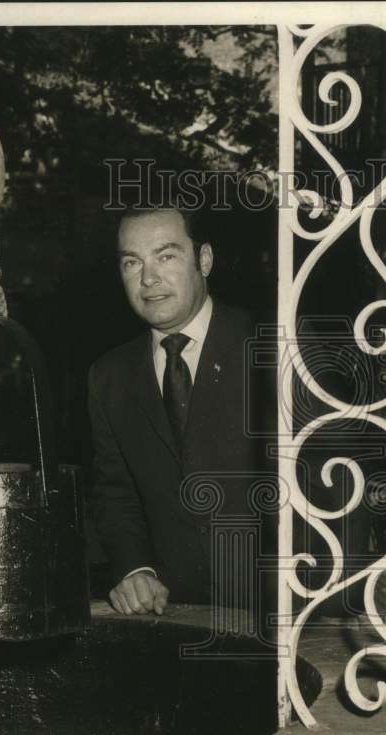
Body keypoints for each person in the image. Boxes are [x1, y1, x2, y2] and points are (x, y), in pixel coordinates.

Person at [87, 206, 271, 619]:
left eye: (166, 256)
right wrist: (136, 570)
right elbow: (117, 494)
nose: (148, 279)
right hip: (174, 619)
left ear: (204, 259)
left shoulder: (272, 348)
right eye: (132, 262)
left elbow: (331, 485)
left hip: (282, 617)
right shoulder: (108, 377)